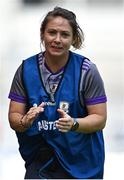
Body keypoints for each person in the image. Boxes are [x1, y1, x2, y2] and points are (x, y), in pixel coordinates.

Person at [8, 6, 107, 179]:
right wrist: (25, 121)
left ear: (74, 38)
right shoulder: (25, 69)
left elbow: (100, 119)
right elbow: (14, 116)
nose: (57, 39)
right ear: (42, 34)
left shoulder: (87, 70)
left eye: (65, 34)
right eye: (52, 32)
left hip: (81, 164)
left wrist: (74, 124)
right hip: (40, 160)